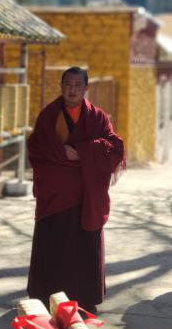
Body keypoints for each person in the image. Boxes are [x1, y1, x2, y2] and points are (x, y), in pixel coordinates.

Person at [27, 66, 125, 313]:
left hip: (86, 197)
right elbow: (36, 149)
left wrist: (82, 151)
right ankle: (46, 298)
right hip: (55, 196)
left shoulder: (98, 117)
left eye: (77, 85)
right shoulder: (49, 115)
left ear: (85, 88)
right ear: (61, 86)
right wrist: (60, 152)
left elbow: (113, 148)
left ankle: (84, 299)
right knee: (54, 247)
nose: (72, 90)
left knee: (84, 250)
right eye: (67, 85)